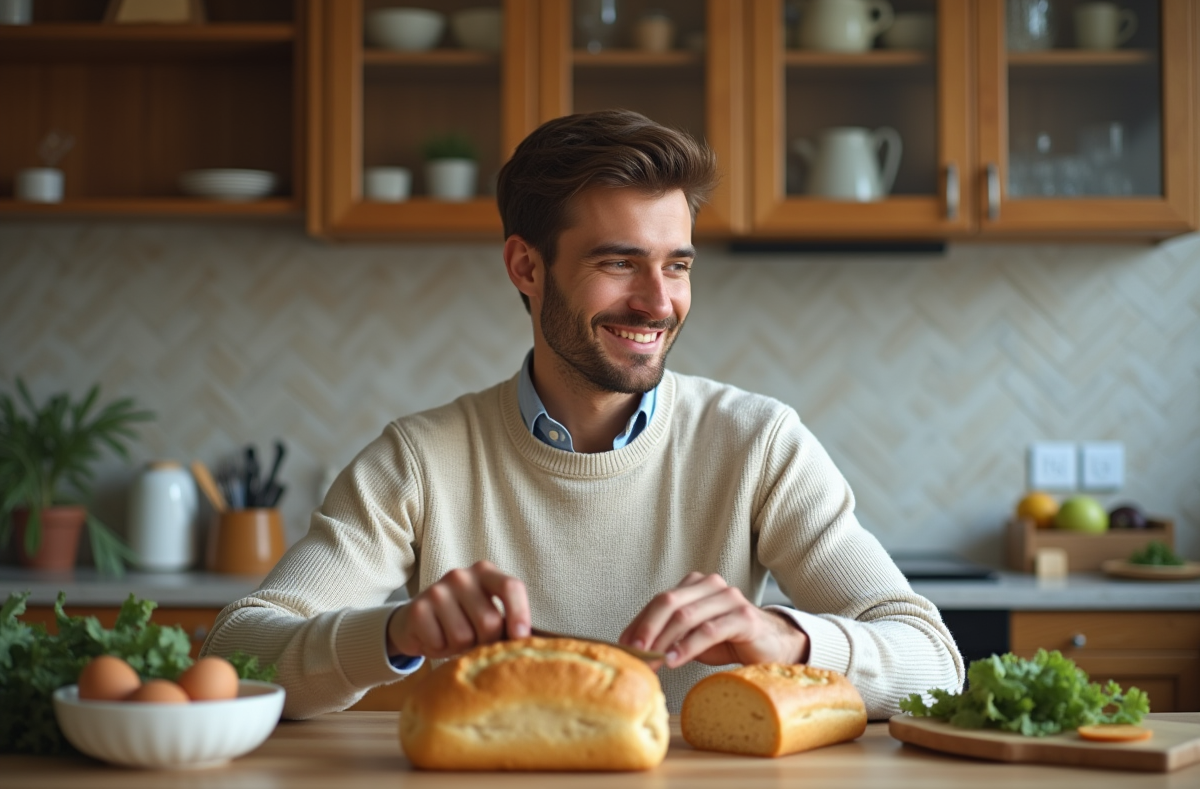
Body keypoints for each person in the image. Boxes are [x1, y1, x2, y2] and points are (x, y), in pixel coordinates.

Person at [202, 109, 964, 719]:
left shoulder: (757, 444)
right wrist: (396, 633)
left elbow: (936, 663)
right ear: (526, 268)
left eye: (677, 265)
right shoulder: (422, 460)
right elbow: (235, 652)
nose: (658, 302)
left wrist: (784, 638)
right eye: (618, 262)